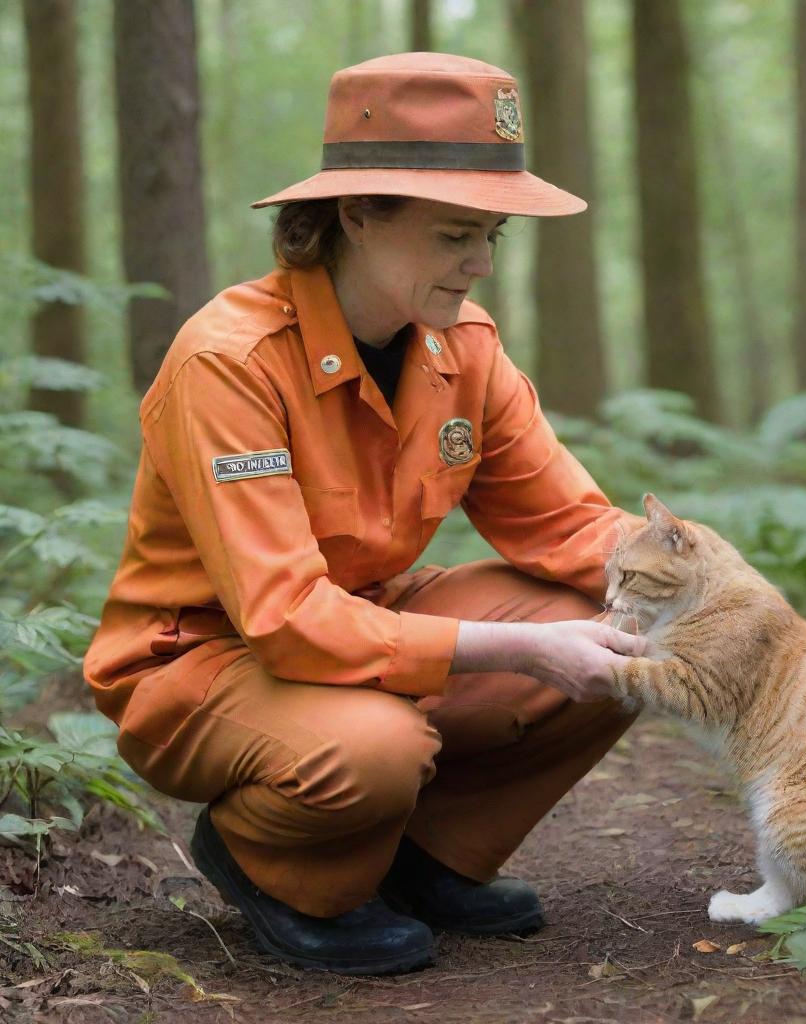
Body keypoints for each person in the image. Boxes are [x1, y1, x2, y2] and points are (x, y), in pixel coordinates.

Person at [84, 52, 646, 976]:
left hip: (367, 629)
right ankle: (278, 865)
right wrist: (513, 647)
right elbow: (285, 619)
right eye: (456, 235)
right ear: (355, 216)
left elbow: (570, 526)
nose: (480, 265)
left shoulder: (462, 349)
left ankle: (428, 861)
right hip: (205, 660)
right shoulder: (231, 361)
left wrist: (715, 588)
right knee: (376, 746)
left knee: (621, 630)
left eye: (492, 236)